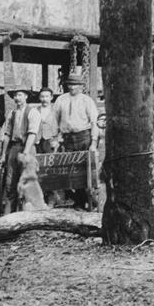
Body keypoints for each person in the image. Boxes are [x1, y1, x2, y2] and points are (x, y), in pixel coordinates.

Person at [54, 72, 99, 208]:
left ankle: (89, 200)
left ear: (81, 86)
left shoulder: (87, 100)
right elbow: (54, 121)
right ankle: (78, 200)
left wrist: (93, 142)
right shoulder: (61, 100)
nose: (72, 87)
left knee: (85, 170)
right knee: (70, 170)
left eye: (75, 85)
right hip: (67, 138)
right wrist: (56, 138)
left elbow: (94, 122)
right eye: (70, 84)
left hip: (83, 136)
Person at [0, 85, 41, 214]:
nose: (17, 98)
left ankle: (27, 214)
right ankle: (9, 214)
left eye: (20, 95)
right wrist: (4, 155)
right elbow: (7, 134)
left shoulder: (33, 112)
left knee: (27, 181)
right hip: (14, 148)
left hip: (27, 148)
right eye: (15, 95)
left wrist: (26, 152)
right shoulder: (12, 113)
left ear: (26, 96)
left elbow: (32, 134)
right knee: (10, 182)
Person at [36, 87, 60, 154]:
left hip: (52, 142)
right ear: (39, 97)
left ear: (51, 97)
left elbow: (62, 127)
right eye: (42, 96)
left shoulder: (56, 111)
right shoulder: (35, 111)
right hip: (38, 142)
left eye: (47, 96)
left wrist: (57, 140)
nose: (44, 99)